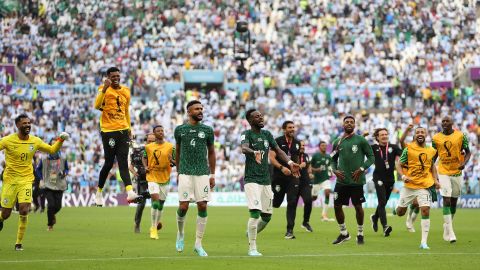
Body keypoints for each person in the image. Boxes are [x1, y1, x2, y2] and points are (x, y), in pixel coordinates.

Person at [0, 114, 69, 250]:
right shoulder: (8, 140)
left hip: (26, 180)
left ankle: (18, 243)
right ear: (18, 125)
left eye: (29, 123)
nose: (27, 125)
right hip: (10, 181)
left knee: (24, 209)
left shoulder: (35, 141)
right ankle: (1, 219)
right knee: (6, 214)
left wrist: (61, 139)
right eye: (24, 123)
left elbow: (52, 149)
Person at [241, 109, 300, 256]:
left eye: (261, 115)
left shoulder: (267, 134)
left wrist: (290, 162)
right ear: (250, 120)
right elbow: (244, 147)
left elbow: (278, 151)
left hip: (265, 180)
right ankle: (252, 248)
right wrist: (253, 152)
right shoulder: (247, 134)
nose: (261, 117)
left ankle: (250, 231)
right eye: (257, 116)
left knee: (266, 216)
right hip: (251, 179)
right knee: (255, 213)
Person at [173, 100, 215, 257]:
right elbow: (177, 152)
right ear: (189, 112)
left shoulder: (208, 130)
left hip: (202, 172)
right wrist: (178, 172)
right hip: (185, 172)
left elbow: (211, 152)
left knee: (203, 206)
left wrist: (213, 174)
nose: (200, 111)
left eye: (201, 108)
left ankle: (198, 243)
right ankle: (180, 233)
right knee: (183, 207)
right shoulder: (180, 130)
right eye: (197, 109)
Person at [93, 66, 139, 206]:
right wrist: (105, 89)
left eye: (117, 76)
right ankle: (99, 192)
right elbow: (96, 105)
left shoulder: (126, 91)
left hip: (123, 130)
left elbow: (126, 111)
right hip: (108, 131)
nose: (116, 78)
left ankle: (130, 192)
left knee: (123, 162)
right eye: (113, 76)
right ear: (108, 77)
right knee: (108, 163)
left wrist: (129, 128)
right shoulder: (103, 88)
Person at [331, 115, 374, 245]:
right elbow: (332, 159)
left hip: (356, 181)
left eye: (351, 122)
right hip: (341, 180)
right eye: (347, 122)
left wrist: (362, 168)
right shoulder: (337, 142)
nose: (349, 124)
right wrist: (335, 170)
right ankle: (344, 233)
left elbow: (371, 157)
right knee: (337, 206)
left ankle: (360, 233)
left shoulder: (361, 140)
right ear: (343, 125)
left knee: (358, 207)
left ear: (354, 125)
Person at [395, 126, 440, 249]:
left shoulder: (431, 150)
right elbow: (399, 164)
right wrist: (403, 176)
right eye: (417, 132)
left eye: (422, 132)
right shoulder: (409, 149)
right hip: (409, 185)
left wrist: (435, 180)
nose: (420, 134)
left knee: (425, 210)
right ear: (415, 135)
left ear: (426, 134)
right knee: (400, 212)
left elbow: (432, 167)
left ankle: (423, 242)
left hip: (424, 185)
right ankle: (398, 208)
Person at [432, 116, 471, 243]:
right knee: (446, 199)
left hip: (457, 172)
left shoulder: (461, 136)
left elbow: (468, 152)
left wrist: (464, 163)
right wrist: (430, 170)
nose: (444, 122)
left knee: (454, 202)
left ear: (452, 123)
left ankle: (447, 227)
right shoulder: (436, 138)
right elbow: (434, 156)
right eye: (442, 121)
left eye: (447, 121)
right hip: (443, 171)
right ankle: (451, 231)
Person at [270, 139, 313, 235]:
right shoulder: (291, 155)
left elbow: (309, 166)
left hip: (303, 182)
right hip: (289, 179)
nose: (302, 147)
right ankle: (266, 204)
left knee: (306, 201)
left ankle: (301, 224)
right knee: (278, 203)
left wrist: (310, 172)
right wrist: (299, 166)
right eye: (301, 146)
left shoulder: (306, 156)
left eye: (303, 146)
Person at [270, 121, 302, 239]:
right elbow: (271, 158)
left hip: (292, 177)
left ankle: (290, 230)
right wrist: (282, 168)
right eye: (289, 127)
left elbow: (296, 159)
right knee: (277, 203)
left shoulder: (297, 143)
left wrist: (297, 168)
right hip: (279, 176)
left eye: (293, 127)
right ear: (284, 129)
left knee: (292, 201)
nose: (292, 129)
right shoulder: (277, 141)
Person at [369, 128, 402, 237]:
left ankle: (375, 217)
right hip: (378, 178)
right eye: (382, 135)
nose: (384, 136)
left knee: (383, 202)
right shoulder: (373, 148)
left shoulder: (393, 147)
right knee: (382, 201)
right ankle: (385, 227)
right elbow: (362, 150)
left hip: (390, 179)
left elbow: (404, 155)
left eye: (386, 134)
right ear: (377, 137)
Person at [143, 125, 174, 240]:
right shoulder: (149, 147)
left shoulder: (170, 147)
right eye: (158, 131)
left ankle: (155, 224)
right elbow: (144, 157)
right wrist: (146, 166)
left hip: (165, 178)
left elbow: (176, 161)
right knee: (155, 202)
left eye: (162, 130)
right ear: (154, 133)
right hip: (152, 176)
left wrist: (172, 161)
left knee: (160, 205)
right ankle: (153, 228)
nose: (161, 132)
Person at [35, 139, 69, 231]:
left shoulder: (63, 157)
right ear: (49, 146)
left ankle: (52, 215)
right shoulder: (44, 158)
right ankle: (50, 225)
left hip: (59, 185)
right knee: (51, 205)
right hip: (48, 185)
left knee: (58, 206)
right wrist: (41, 179)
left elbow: (67, 169)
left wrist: (65, 173)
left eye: (57, 144)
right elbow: (37, 170)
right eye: (53, 144)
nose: (55, 146)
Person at [129, 133, 155, 233]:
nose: (152, 143)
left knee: (155, 203)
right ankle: (137, 224)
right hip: (142, 181)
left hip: (155, 180)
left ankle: (154, 226)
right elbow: (130, 166)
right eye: (150, 141)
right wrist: (135, 174)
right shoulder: (138, 151)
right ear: (146, 141)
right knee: (142, 204)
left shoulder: (158, 150)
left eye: (153, 141)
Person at [399, 124, 420, 232]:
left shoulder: (425, 150)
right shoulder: (408, 148)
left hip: (422, 180)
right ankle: (407, 217)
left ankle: (410, 221)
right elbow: (401, 141)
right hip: (409, 180)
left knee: (419, 204)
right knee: (401, 211)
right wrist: (407, 129)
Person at [310, 141, 335, 222]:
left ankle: (324, 215)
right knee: (313, 198)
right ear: (319, 147)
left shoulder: (328, 156)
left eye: (325, 145)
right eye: (322, 145)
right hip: (316, 180)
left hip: (325, 179)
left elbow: (329, 166)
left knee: (327, 193)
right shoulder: (315, 156)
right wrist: (315, 170)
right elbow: (310, 167)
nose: (324, 147)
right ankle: (307, 205)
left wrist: (330, 172)